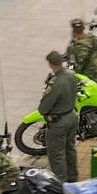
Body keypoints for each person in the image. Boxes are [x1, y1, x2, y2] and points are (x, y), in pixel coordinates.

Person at [38, 51, 79, 182]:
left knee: (57, 154)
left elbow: (44, 107)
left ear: (50, 64)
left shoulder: (55, 83)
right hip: (72, 116)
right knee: (70, 149)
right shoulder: (71, 75)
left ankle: (61, 183)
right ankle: (73, 177)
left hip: (59, 122)